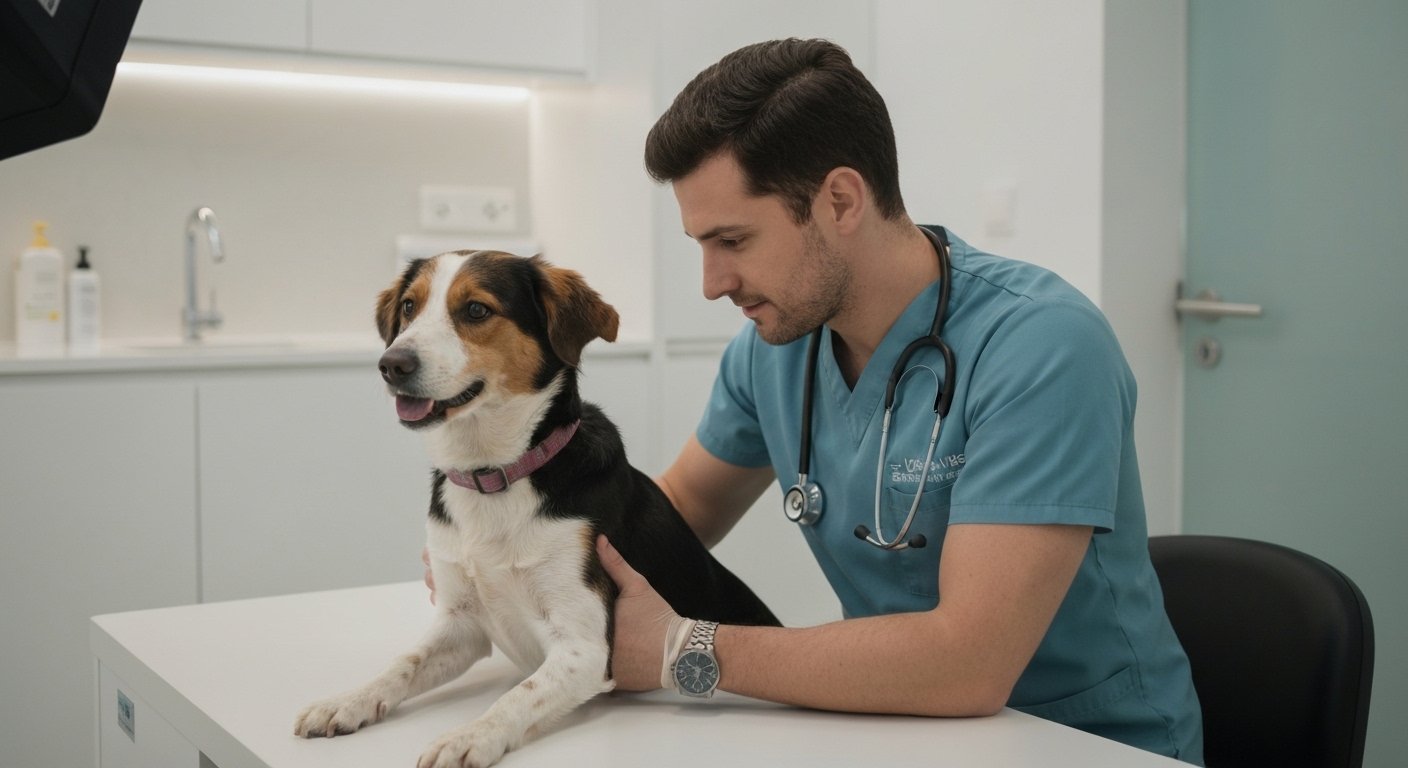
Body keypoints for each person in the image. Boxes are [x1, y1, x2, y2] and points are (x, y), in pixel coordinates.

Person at [434, 37, 1203, 764]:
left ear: (839, 200)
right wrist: (500, 553)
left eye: (732, 241)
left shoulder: (1043, 347)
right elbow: (661, 515)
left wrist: (681, 649)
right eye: (700, 245)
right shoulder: (777, 352)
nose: (712, 283)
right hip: (894, 726)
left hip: (1079, 743)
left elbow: (968, 665)